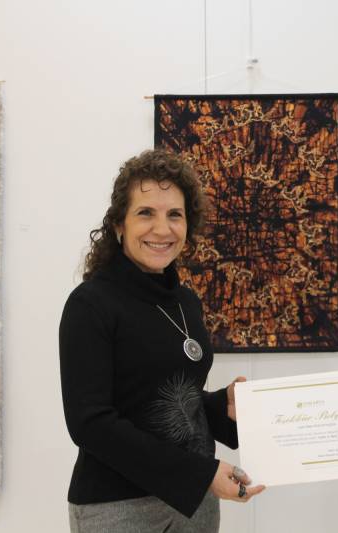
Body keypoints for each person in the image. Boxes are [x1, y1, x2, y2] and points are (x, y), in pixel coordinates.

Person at [59, 149, 264, 533]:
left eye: (174, 215)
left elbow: (167, 399)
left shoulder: (186, 302)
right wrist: (199, 474)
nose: (162, 228)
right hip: (118, 507)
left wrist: (222, 406)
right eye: (145, 213)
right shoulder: (90, 304)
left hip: (194, 503)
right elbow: (90, 423)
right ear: (119, 225)